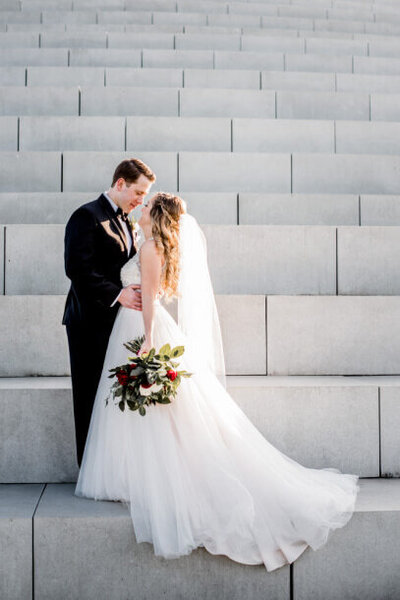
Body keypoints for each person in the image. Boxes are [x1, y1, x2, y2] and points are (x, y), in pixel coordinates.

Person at [75, 192, 360, 572]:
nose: (139, 208)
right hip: (139, 325)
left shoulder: (149, 250)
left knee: (151, 406)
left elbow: (148, 301)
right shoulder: (152, 244)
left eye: (146, 205)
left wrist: (146, 342)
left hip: (142, 328)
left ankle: (141, 475)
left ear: (154, 214)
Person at [62, 158, 155, 467]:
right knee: (90, 396)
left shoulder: (128, 220)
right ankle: (89, 467)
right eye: (138, 193)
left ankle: (111, 465)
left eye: (145, 195)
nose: (141, 201)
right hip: (89, 322)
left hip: (116, 323)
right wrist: (118, 294)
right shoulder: (86, 216)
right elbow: (77, 269)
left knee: (110, 397)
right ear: (120, 184)